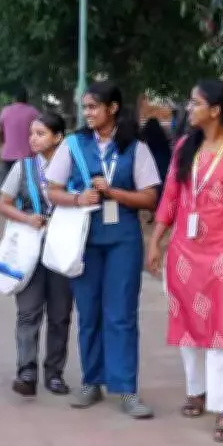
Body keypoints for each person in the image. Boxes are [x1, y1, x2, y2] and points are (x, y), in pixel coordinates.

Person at [147, 79, 223, 443]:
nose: (189, 109)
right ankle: (196, 389)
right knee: (188, 323)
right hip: (185, 251)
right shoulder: (185, 146)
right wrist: (156, 241)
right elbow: (170, 196)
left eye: (195, 103)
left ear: (215, 109)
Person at [45, 81, 161, 419]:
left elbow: (150, 197)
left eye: (94, 106)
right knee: (89, 311)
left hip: (123, 238)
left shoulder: (134, 148)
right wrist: (78, 198)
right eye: (85, 107)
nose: (88, 113)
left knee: (122, 314)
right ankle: (91, 382)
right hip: (85, 238)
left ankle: (126, 388)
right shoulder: (73, 145)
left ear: (112, 108)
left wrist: (114, 192)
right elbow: (53, 190)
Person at [0, 112, 73, 397]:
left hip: (63, 250)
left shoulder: (72, 168)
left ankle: (54, 373)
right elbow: (4, 204)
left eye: (41, 133)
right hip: (30, 250)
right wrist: (26, 218)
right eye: (32, 133)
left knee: (60, 313)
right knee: (28, 312)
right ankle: (26, 371)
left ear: (58, 137)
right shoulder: (24, 167)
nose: (33, 139)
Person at [0, 88, 40, 173]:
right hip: (28, 156)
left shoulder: (5, 111)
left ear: (14, 99)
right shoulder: (33, 112)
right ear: (26, 98)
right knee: (27, 183)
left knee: (10, 184)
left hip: (8, 155)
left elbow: (1, 133)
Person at [141, 118, 172, 215]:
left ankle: (153, 211)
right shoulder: (162, 135)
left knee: (153, 186)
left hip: (152, 163)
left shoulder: (146, 137)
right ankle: (162, 209)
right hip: (163, 162)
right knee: (162, 187)